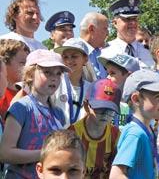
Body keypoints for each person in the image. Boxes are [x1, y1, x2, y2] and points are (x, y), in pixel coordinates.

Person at [0, 49, 68, 178]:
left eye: (58, 74)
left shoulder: (59, 114)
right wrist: (45, 153)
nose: (54, 78)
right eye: (47, 72)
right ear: (30, 75)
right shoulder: (21, 108)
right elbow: (5, 153)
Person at [110, 69, 159, 179]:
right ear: (136, 99)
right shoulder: (135, 134)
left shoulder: (147, 129)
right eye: (158, 98)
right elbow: (116, 175)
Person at [69, 79, 121, 178]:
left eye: (111, 110)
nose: (105, 115)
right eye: (100, 109)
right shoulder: (72, 134)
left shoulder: (116, 135)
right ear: (86, 106)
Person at [104, 0, 155, 69]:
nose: (133, 22)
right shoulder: (106, 51)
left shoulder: (149, 52)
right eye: (127, 19)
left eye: (135, 18)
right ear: (115, 23)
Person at [52, 38, 91, 127]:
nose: (69, 61)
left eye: (74, 56)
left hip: (81, 139)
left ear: (85, 59)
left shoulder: (91, 88)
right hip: (58, 138)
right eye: (65, 57)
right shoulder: (55, 83)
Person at [97, 53, 140, 127]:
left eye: (112, 73)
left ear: (129, 76)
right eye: (107, 73)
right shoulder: (104, 103)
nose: (107, 77)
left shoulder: (139, 107)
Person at [0, 39, 30, 120]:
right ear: (4, 63)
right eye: (23, 63)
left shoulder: (29, 93)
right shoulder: (1, 95)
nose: (27, 68)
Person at [79, 12, 109, 80]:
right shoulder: (75, 52)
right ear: (92, 29)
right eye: (105, 28)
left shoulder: (104, 52)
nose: (107, 33)